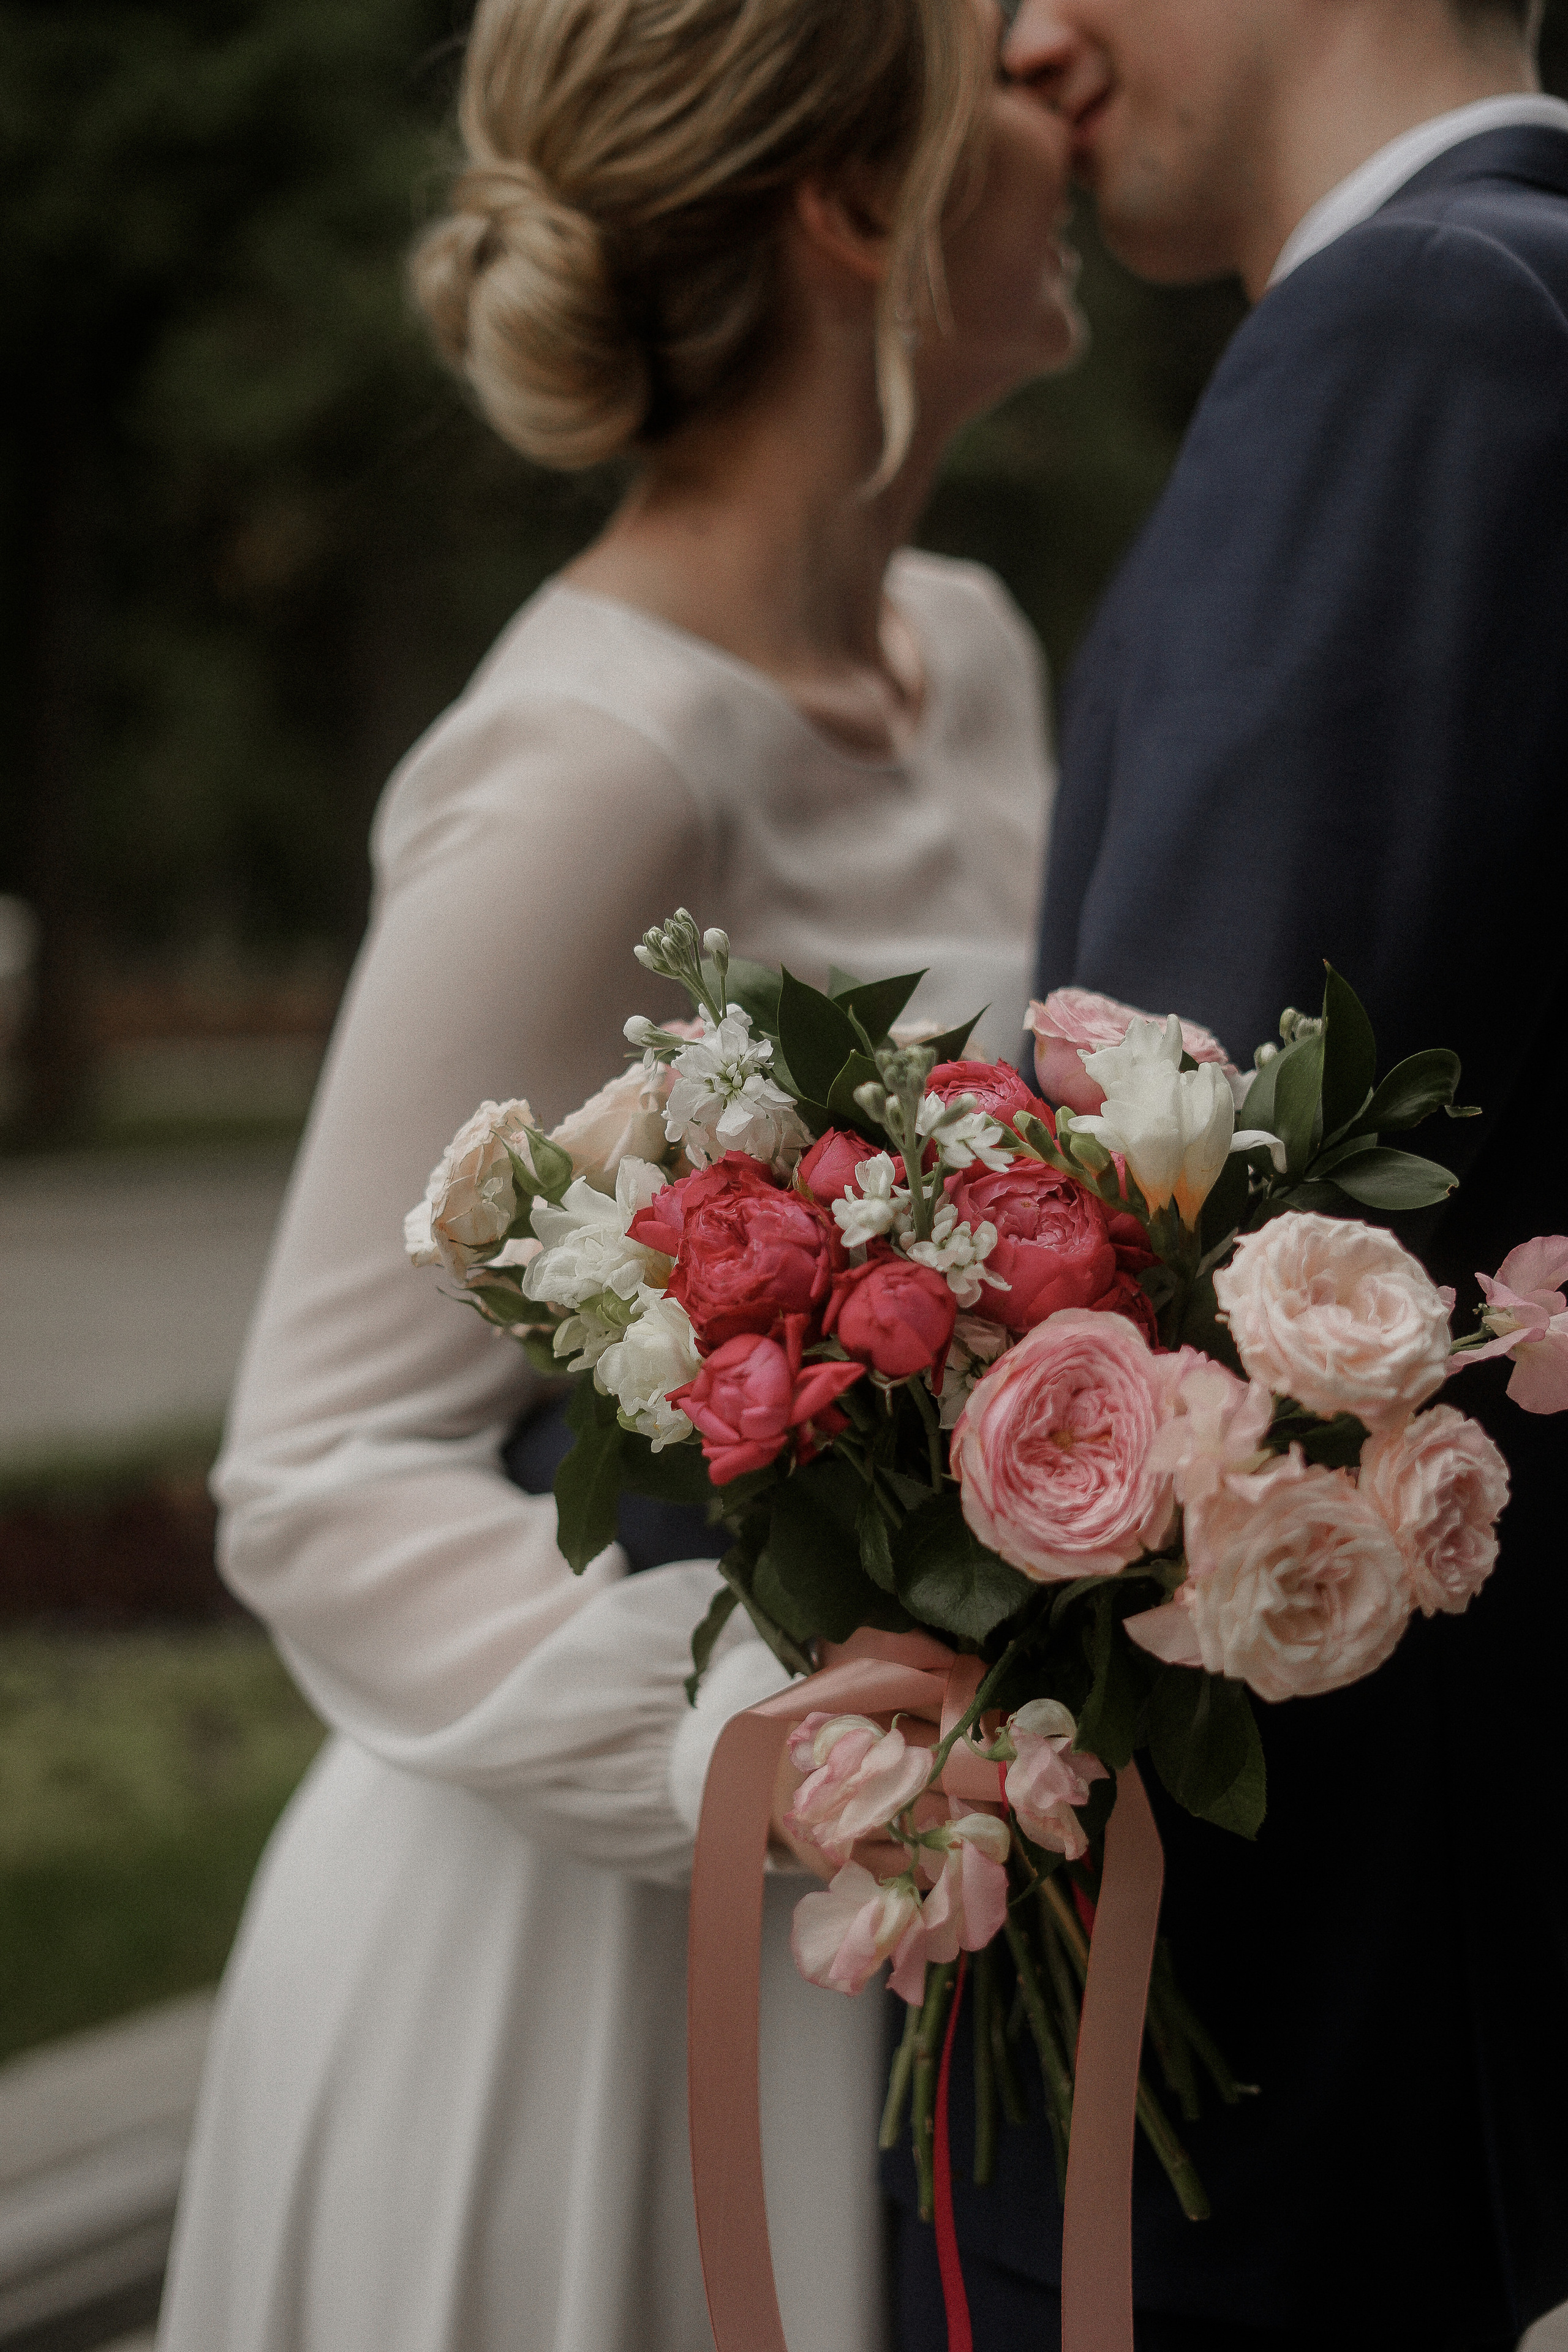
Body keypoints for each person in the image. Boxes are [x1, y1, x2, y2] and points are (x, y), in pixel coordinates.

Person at [156, 4, 1085, 2348]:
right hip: (567, 1976)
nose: (1067, 76)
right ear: (853, 205)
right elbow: (318, 1465)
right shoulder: (592, 760)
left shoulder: (972, 652)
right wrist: (761, 1750)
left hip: (908, 1942)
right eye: (1002, 53)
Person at [881, 1, 1568, 2347]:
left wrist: (668, 1450)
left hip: (1274, 2000)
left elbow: (1160, 1251)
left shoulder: (1414, 330)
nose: (1030, 35)